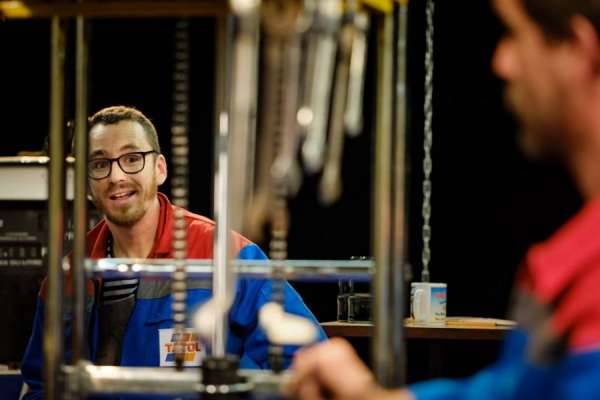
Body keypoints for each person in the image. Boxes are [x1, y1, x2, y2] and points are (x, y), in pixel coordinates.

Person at [289, 0, 600, 399]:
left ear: (579, 48)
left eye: (515, 35)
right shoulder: (574, 267)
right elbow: (512, 392)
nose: (502, 63)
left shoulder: (590, 283)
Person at [20, 106, 326, 399]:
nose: (116, 177)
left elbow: (305, 363)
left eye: (132, 158)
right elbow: (42, 384)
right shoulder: (69, 275)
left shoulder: (224, 254)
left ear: (160, 169)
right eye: (99, 164)